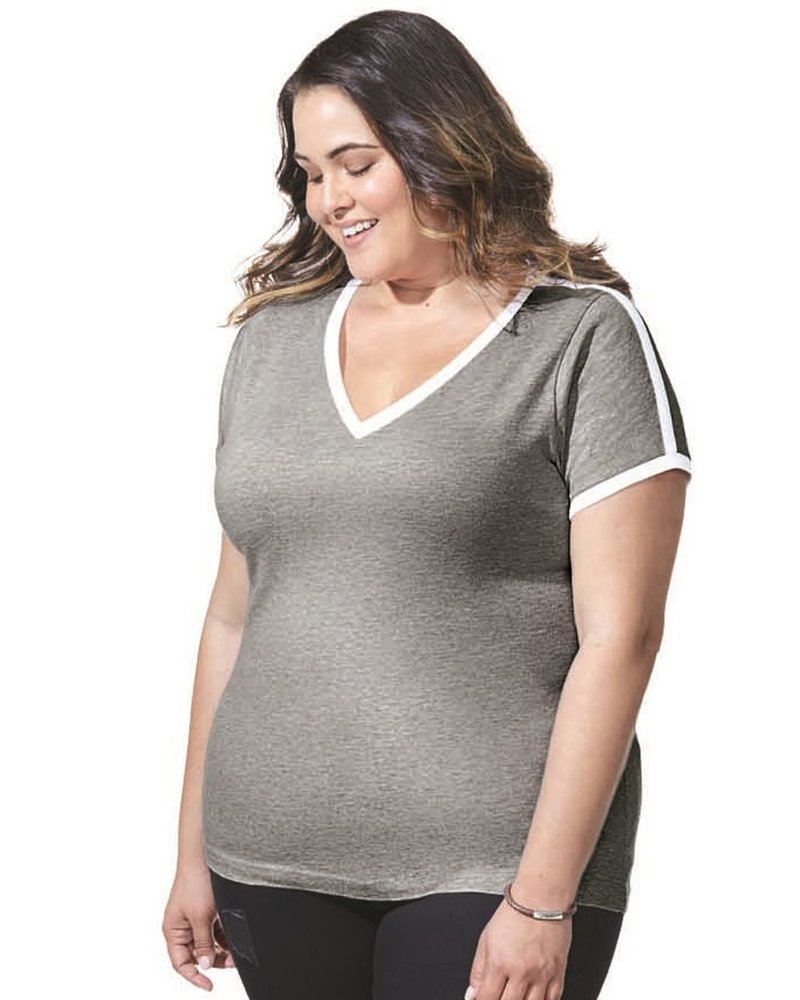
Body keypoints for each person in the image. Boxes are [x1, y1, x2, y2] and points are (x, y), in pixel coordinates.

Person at [162, 10, 692, 1000]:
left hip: (490, 869)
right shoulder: (272, 342)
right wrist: (192, 848)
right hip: (266, 852)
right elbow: (233, 613)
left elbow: (621, 637)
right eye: (310, 173)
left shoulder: (579, 337)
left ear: (438, 144)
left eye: (355, 164)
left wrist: (541, 901)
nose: (329, 200)